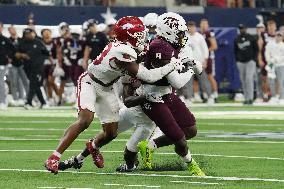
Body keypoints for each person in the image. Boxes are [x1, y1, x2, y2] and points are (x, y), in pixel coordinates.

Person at [44, 16, 183, 174]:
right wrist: (171, 65)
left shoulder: (128, 48)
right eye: (139, 35)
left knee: (111, 133)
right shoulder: (123, 51)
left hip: (107, 88)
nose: (143, 38)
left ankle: (94, 146)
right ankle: (54, 157)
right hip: (90, 82)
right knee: (85, 120)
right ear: (128, 36)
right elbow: (149, 76)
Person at [136, 12, 205, 176]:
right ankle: (192, 166)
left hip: (167, 94)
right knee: (179, 138)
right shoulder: (159, 46)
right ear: (169, 31)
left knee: (190, 130)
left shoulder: (172, 45)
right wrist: (191, 69)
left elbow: (198, 68)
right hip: (152, 97)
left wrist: (193, 64)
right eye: (180, 33)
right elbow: (177, 82)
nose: (183, 36)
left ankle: (149, 146)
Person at [16, 28, 49, 109]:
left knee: (33, 84)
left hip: (38, 67)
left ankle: (29, 102)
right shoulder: (21, 43)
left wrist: (41, 61)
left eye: (30, 33)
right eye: (26, 34)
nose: (28, 35)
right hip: (27, 67)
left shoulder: (39, 42)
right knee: (35, 85)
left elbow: (46, 54)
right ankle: (43, 103)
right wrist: (22, 55)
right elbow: (16, 54)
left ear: (33, 33)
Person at [184, 21, 211, 104]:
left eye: (192, 26)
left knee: (204, 80)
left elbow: (205, 49)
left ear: (195, 27)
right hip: (188, 62)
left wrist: (205, 61)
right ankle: (189, 97)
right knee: (188, 81)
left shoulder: (200, 37)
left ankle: (209, 96)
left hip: (199, 62)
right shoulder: (184, 37)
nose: (191, 28)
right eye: (189, 26)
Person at [234, 24, 258, 105]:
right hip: (241, 62)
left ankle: (250, 98)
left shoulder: (251, 37)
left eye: (243, 28)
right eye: (240, 28)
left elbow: (256, 49)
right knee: (243, 80)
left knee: (249, 79)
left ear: (246, 28)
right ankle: (246, 98)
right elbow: (235, 51)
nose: (242, 30)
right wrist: (237, 60)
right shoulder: (237, 39)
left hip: (250, 61)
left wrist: (254, 59)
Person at [8, 25, 29, 106]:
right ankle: (15, 99)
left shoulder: (21, 40)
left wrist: (21, 55)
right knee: (14, 82)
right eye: (10, 30)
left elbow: (25, 50)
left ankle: (27, 98)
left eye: (13, 29)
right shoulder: (8, 40)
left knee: (25, 81)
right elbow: (7, 51)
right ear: (9, 31)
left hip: (22, 64)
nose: (12, 31)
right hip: (13, 64)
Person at [200, 18, 218, 102]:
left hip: (209, 58)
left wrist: (205, 52)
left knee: (210, 76)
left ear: (208, 25)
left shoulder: (209, 33)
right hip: (200, 59)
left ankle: (215, 94)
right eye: (202, 24)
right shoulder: (198, 34)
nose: (203, 26)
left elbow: (214, 46)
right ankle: (205, 95)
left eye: (205, 24)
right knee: (202, 78)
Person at [258, 20, 277, 101]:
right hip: (266, 60)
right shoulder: (263, 35)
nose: (271, 28)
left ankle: (276, 95)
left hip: (276, 60)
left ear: (275, 27)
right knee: (265, 78)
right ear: (267, 27)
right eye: (269, 26)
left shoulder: (279, 35)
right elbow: (259, 48)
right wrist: (259, 59)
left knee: (276, 78)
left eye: (272, 26)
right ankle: (266, 94)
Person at [0, 22, 16, 109]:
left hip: (2, 64)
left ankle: (2, 101)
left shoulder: (5, 40)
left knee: (0, 82)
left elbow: (13, 50)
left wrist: (8, 57)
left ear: (2, 28)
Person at [264, 31, 284, 104]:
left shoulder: (283, 45)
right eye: (277, 36)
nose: (278, 37)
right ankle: (273, 97)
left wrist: (276, 59)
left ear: (282, 37)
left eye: (280, 36)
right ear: (275, 36)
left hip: (281, 65)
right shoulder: (270, 44)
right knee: (271, 81)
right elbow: (266, 53)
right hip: (271, 65)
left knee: (280, 81)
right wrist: (269, 60)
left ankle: (282, 97)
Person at [41, 28, 59, 105]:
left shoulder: (55, 42)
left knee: (50, 81)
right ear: (42, 35)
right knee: (47, 82)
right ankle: (51, 98)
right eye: (45, 33)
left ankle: (59, 95)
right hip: (44, 63)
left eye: (48, 32)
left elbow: (59, 52)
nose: (47, 34)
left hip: (53, 63)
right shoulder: (40, 42)